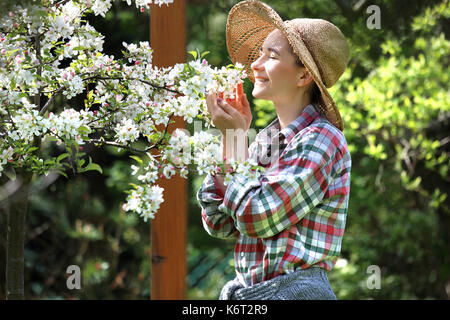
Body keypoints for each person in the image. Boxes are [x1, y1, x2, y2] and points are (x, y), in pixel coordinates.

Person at [197, 0, 352, 300]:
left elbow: (255, 216)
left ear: (304, 75)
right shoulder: (265, 144)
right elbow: (219, 223)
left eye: (271, 55)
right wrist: (232, 142)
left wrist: (235, 140)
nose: (255, 64)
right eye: (259, 53)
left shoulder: (322, 140)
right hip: (252, 294)